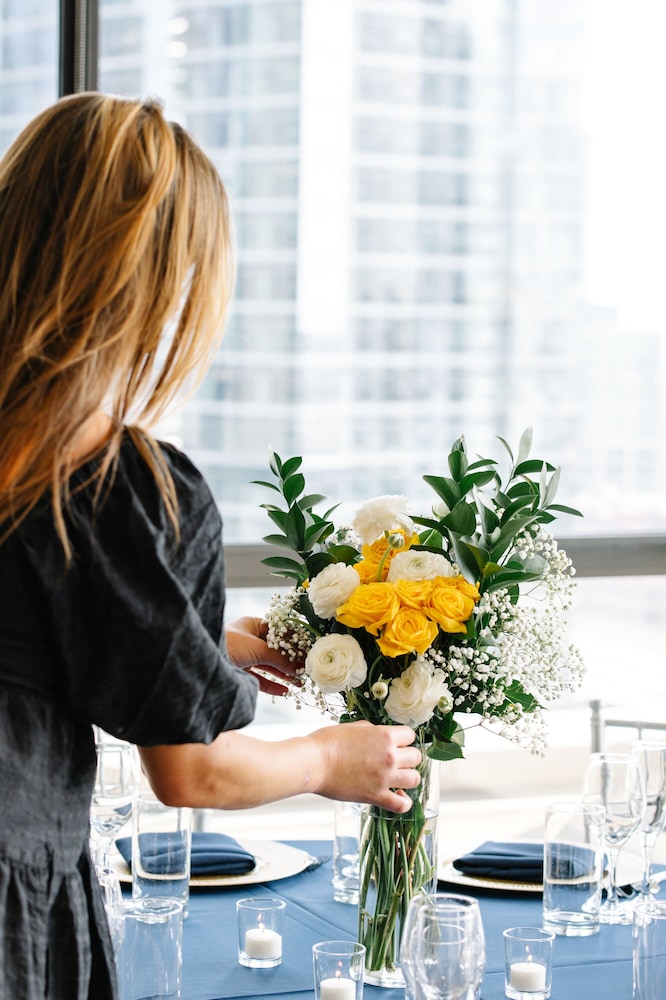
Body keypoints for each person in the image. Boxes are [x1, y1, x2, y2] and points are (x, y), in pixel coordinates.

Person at [0, 93, 421, 999]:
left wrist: (209, 644)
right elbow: (193, 774)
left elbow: (36, 625)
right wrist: (330, 758)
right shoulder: (119, 485)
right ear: (157, 281)